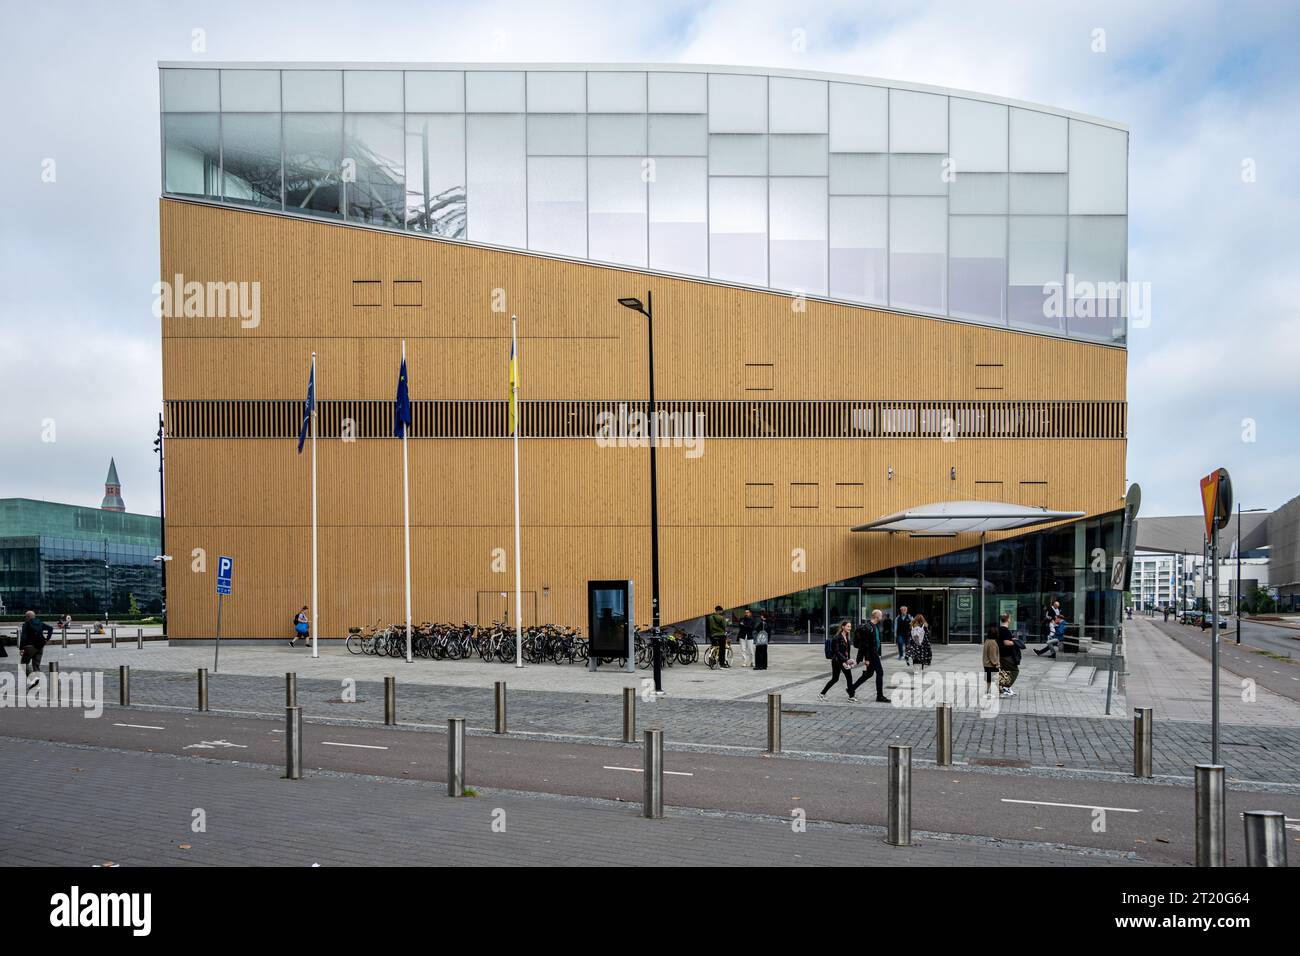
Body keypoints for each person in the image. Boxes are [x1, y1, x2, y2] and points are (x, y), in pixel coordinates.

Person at [851, 609, 891, 702]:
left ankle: (851, 688)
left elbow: (876, 642)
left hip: (874, 654)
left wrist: (879, 653)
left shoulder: (875, 626)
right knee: (880, 673)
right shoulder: (868, 627)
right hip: (871, 655)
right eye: (881, 615)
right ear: (876, 616)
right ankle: (879, 696)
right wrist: (867, 659)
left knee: (869, 674)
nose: (882, 617)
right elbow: (867, 645)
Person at [817, 621, 857, 701]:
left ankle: (822, 694)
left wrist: (848, 660)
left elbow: (846, 651)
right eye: (848, 626)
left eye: (850, 626)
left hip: (842, 660)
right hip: (837, 661)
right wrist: (846, 661)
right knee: (848, 677)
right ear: (843, 627)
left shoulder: (846, 637)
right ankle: (851, 697)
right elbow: (837, 651)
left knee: (835, 678)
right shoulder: (837, 637)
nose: (850, 628)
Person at [19, 611, 54, 688]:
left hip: (29, 647)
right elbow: (50, 628)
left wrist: (21, 648)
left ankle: (33, 679)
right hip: (40, 646)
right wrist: (47, 639)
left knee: (23, 663)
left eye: (25, 617)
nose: (25, 618)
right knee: (36, 665)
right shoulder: (40, 623)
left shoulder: (26, 624)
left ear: (28, 617)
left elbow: (23, 637)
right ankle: (36, 680)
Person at [997, 612, 1021, 697]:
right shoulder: (1005, 631)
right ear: (1008, 620)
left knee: (1005, 672)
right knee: (1015, 671)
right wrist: (1014, 642)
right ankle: (1005, 687)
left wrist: (1012, 639)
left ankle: (1004, 688)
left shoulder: (999, 629)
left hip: (1001, 654)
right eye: (1010, 618)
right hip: (1006, 655)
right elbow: (1006, 642)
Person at [982, 624, 1002, 698]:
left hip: (986, 664)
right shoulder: (993, 643)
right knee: (996, 679)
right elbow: (992, 656)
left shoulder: (987, 641)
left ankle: (988, 692)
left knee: (988, 680)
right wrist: (996, 663)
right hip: (991, 665)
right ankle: (999, 692)